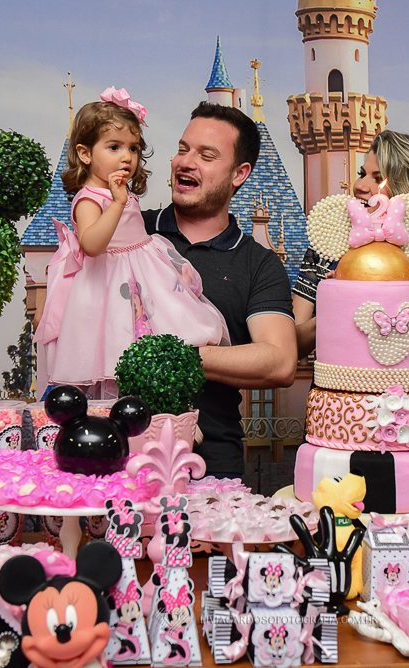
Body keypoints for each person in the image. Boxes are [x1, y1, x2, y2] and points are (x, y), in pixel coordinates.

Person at [34, 89, 229, 397]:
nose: (127, 157)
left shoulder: (121, 191)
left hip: (141, 275)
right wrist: (116, 203)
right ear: (85, 154)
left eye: (134, 148)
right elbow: (92, 245)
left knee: (163, 330)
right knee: (114, 347)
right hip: (107, 284)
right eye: (114, 147)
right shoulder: (88, 199)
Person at [141, 102, 296, 478]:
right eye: (183, 149)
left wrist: (175, 357)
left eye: (206, 155)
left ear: (239, 173)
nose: (186, 162)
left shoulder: (258, 263)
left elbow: (280, 361)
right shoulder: (131, 232)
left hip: (210, 463)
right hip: (112, 452)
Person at [293, 130, 409, 364]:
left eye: (377, 178)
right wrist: (337, 299)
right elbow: (292, 348)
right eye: (362, 174)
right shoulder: (325, 251)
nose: (360, 185)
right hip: (331, 388)